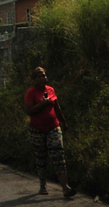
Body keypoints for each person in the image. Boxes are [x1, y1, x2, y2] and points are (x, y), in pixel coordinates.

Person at [24, 66, 76, 198]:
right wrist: (42, 103)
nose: (42, 78)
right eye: (39, 76)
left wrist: (63, 122)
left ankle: (65, 188)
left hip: (53, 128)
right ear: (34, 79)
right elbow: (29, 110)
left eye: (44, 76)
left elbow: (57, 107)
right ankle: (43, 185)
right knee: (41, 157)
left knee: (59, 155)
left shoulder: (51, 90)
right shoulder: (31, 93)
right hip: (37, 130)